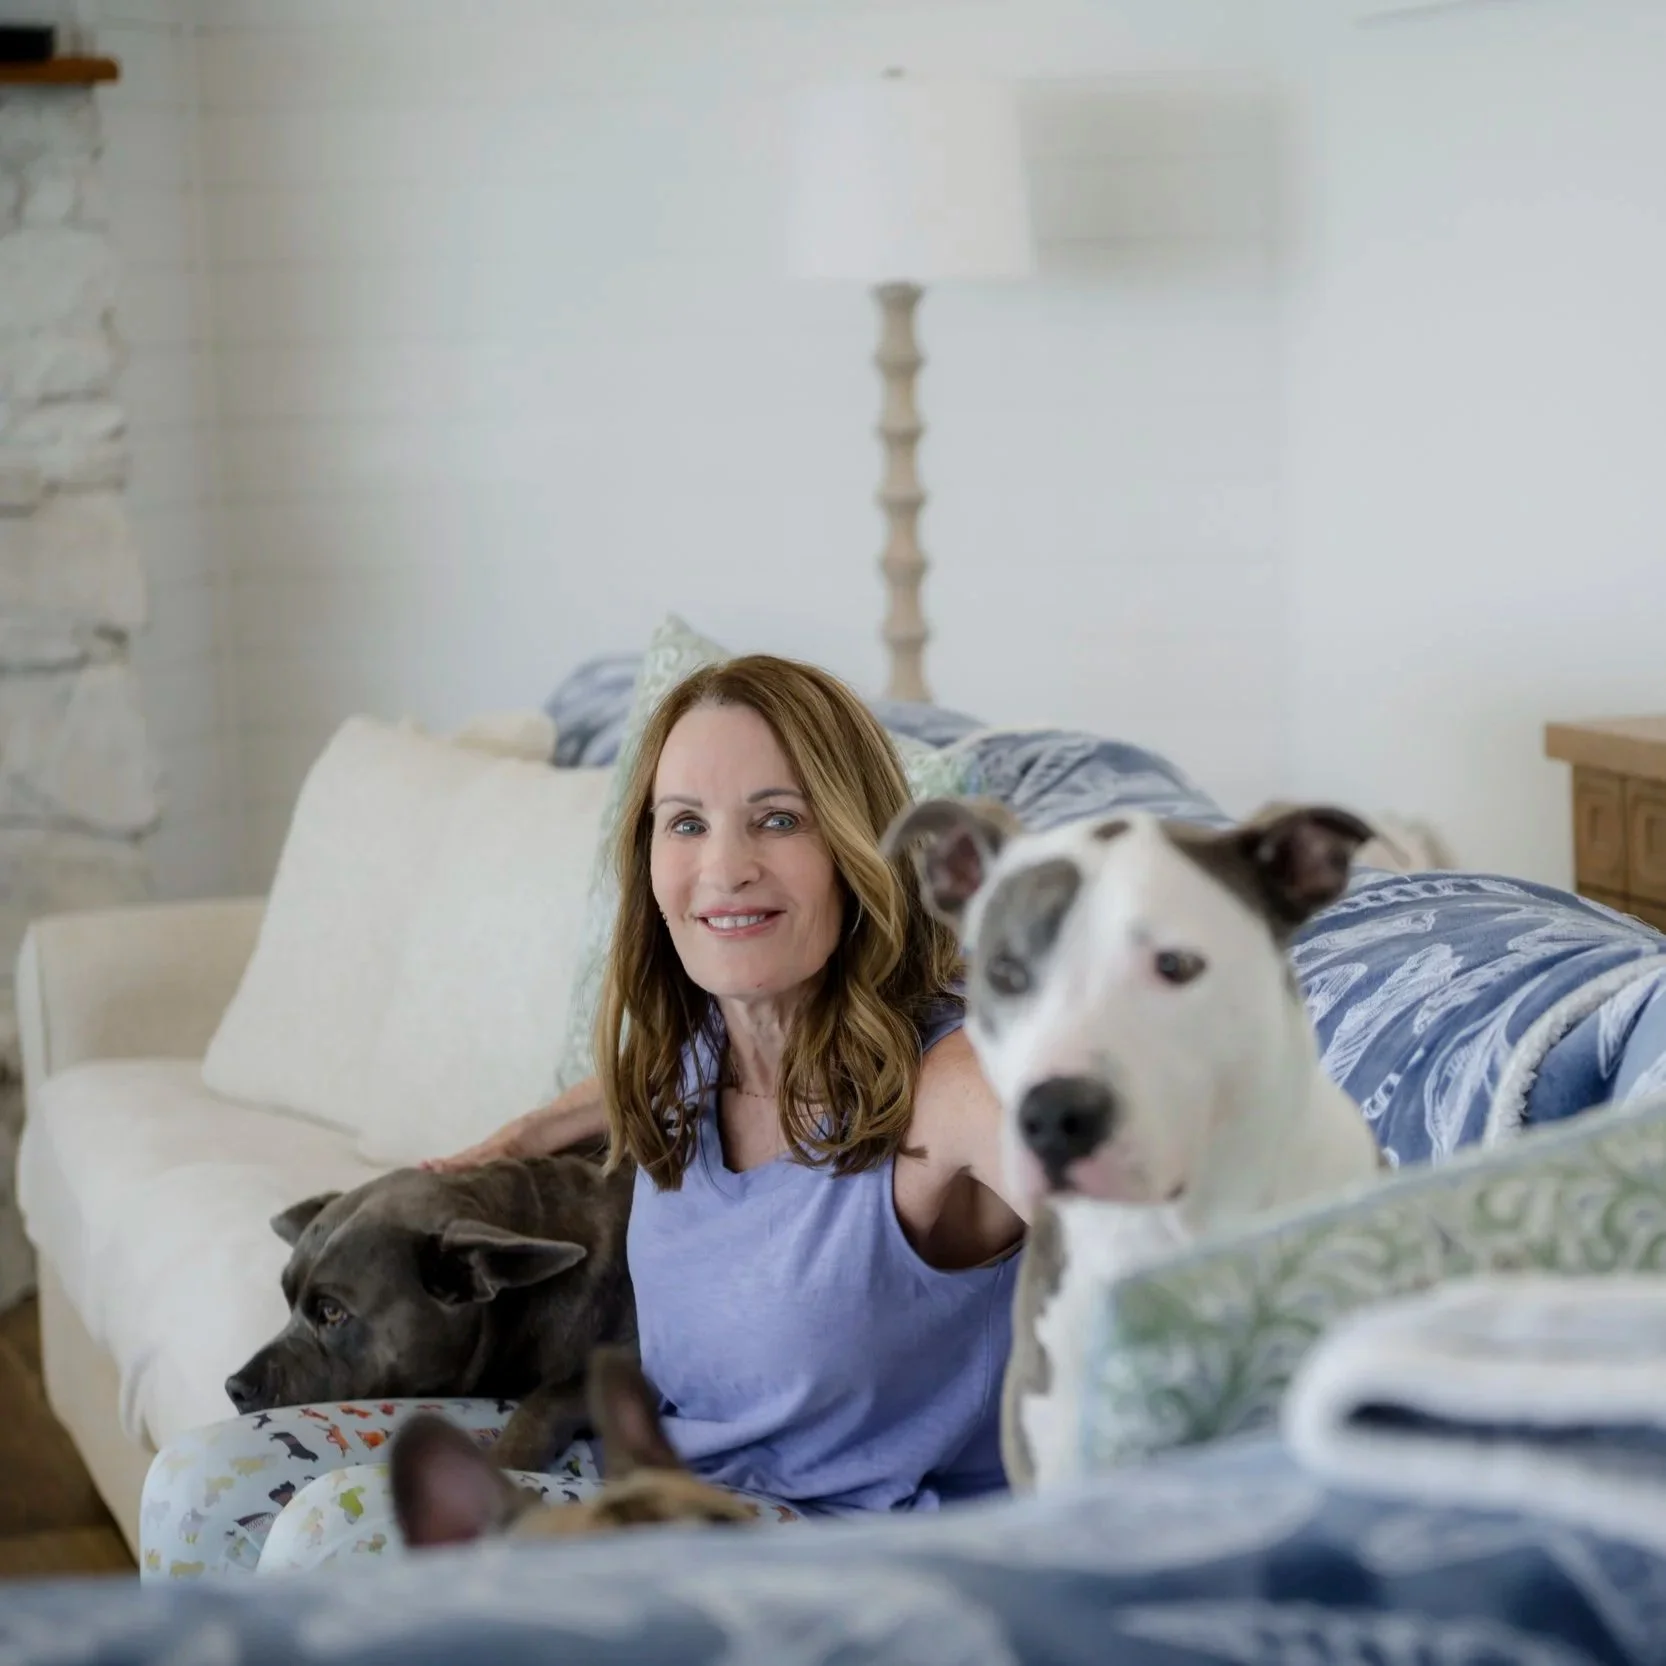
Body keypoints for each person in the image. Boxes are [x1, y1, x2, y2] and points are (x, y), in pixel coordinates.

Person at [137, 654, 1027, 1578]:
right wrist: (531, 1133)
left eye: (779, 819)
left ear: (857, 846)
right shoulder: (695, 1052)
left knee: (346, 1535)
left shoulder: (955, 1083)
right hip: (649, 1474)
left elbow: (1164, 1253)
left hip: (846, 1547)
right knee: (198, 1487)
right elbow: (641, 1086)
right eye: (686, 823)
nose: (723, 868)